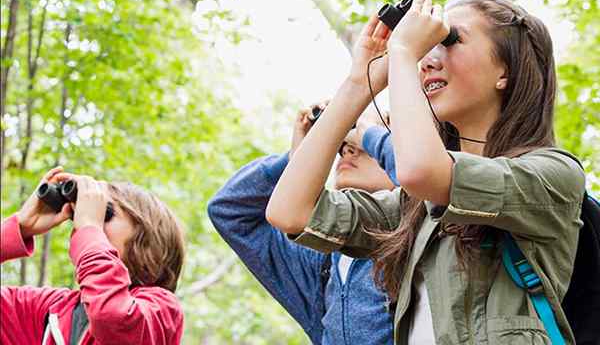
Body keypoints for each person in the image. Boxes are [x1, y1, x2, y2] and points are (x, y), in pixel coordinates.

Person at [266, 0, 586, 344]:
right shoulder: (415, 209)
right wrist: (360, 82)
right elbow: (290, 211)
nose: (427, 61)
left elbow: (420, 171)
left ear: (505, 71)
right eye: (426, 48)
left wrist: (403, 52)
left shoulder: (552, 174)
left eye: (449, 40)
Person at [208, 105, 398, 344]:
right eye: (342, 148)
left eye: (366, 148)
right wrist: (297, 159)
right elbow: (229, 211)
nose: (348, 150)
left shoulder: (421, 230)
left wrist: (369, 131)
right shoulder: (322, 257)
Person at [1, 167, 185, 345]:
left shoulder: (162, 308)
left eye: (105, 214)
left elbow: (112, 318)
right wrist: (18, 228)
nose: (83, 222)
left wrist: (90, 226)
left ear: (148, 242)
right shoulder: (53, 309)